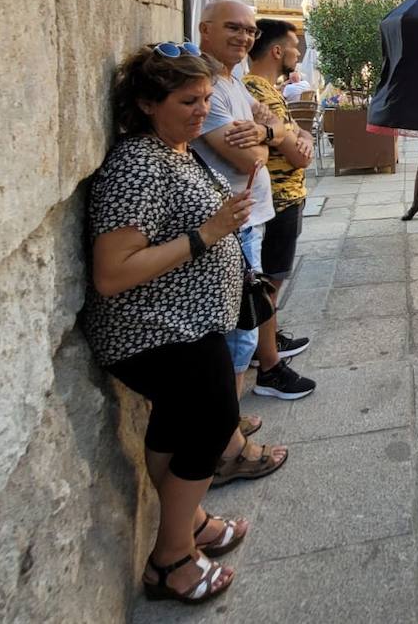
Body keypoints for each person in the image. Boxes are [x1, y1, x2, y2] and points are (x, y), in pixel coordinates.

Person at [82, 43, 288, 604]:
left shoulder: (174, 149)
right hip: (156, 330)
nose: (202, 111)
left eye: (204, 99)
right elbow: (111, 273)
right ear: (149, 103)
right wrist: (209, 233)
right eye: (187, 100)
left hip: (186, 323)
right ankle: (170, 558)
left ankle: (189, 522)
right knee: (210, 424)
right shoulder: (139, 165)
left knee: (178, 424)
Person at [196, 0, 311, 401]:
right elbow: (263, 155)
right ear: (204, 29)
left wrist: (269, 134)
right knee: (244, 325)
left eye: (249, 30)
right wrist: (269, 139)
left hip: (255, 213)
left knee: (255, 307)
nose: (245, 36)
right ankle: (232, 424)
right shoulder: (212, 88)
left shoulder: (234, 84)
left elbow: (293, 135)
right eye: (234, 27)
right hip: (241, 217)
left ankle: (233, 418)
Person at [243, 19, 318, 400]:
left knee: (273, 281)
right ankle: (269, 368)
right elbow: (297, 153)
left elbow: (297, 134)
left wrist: (297, 135)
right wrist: (295, 138)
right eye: (294, 47)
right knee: (270, 284)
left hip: (283, 198)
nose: (298, 53)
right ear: (276, 51)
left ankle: (268, 339)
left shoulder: (268, 91)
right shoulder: (256, 92)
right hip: (279, 200)